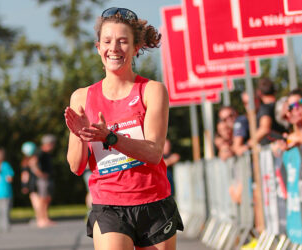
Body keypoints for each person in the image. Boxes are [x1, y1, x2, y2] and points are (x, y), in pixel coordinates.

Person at [64, 7, 183, 250]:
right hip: (109, 206)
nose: (114, 49)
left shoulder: (152, 90)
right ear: (98, 47)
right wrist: (81, 136)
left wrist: (110, 137)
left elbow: (153, 153)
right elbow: (76, 167)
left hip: (154, 203)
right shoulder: (81, 97)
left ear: (136, 47)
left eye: (123, 42)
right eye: (107, 41)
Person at [249, 78, 285, 146]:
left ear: (259, 93)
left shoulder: (265, 108)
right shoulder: (280, 105)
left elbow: (264, 129)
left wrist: (248, 145)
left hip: (274, 149)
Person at [35, 134, 56, 228]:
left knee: (47, 199)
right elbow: (32, 163)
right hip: (42, 180)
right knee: (42, 199)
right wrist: (40, 174)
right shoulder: (40, 152)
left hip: (47, 178)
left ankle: (45, 218)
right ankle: (40, 219)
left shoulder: (46, 153)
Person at [20, 142, 43, 227]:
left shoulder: (26, 162)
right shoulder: (36, 159)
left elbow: (25, 175)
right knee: (39, 200)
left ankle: (39, 217)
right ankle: (40, 217)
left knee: (35, 201)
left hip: (31, 183)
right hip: (38, 181)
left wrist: (24, 185)